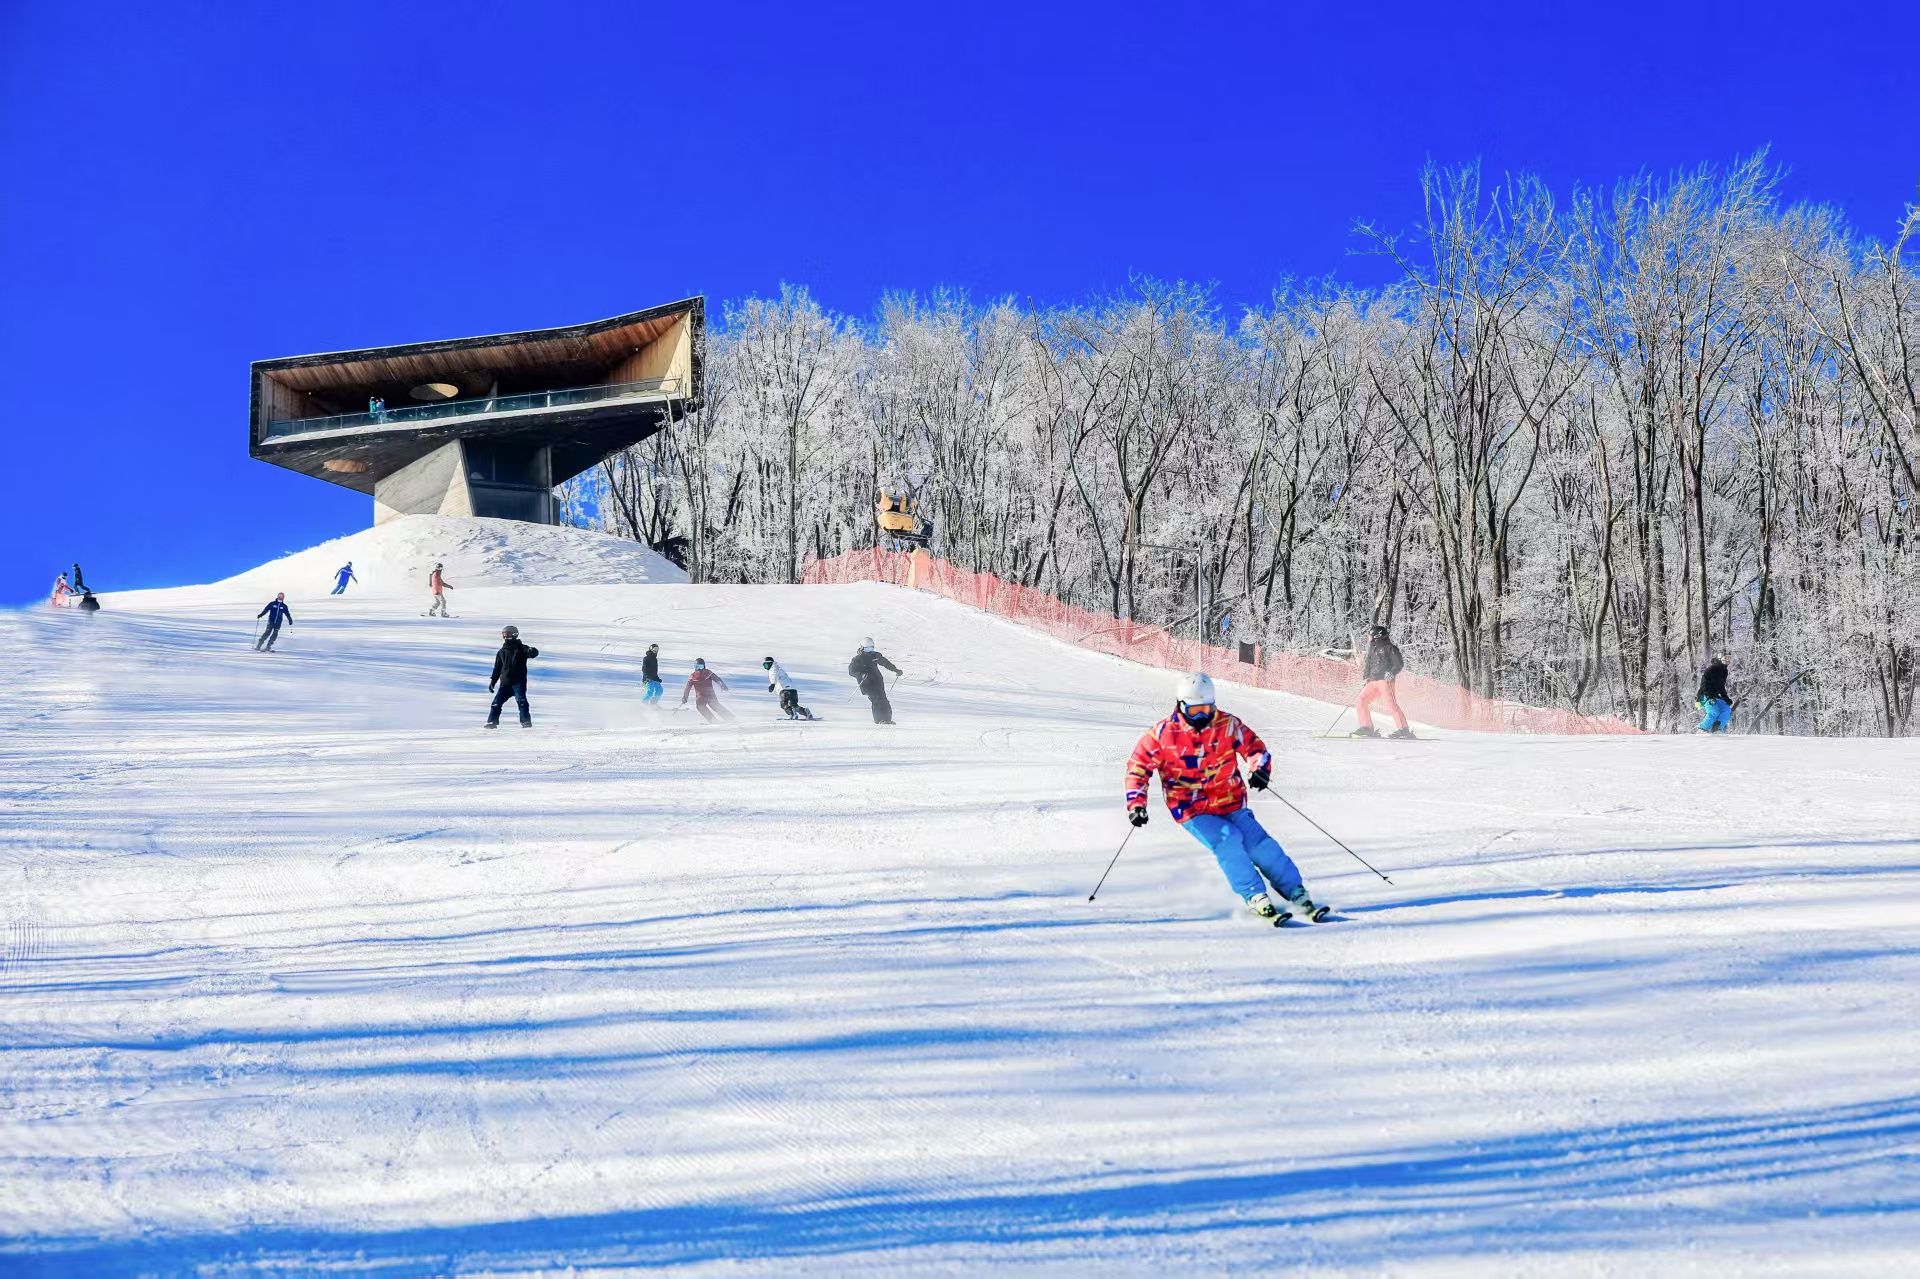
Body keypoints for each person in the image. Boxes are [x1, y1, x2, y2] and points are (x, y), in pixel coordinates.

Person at [1126, 672, 1324, 922]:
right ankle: (1255, 895)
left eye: (1207, 708)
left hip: (1230, 800)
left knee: (1258, 844)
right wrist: (1136, 804)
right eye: (1195, 709)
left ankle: (1295, 890)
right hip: (1191, 808)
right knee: (1228, 840)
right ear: (1181, 705)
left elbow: (1255, 748)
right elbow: (1138, 768)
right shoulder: (1162, 734)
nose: (1202, 716)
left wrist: (1259, 769)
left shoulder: (1227, 725)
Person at [1352, 623, 1413, 740]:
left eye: (1370, 636)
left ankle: (1403, 729)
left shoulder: (1390, 648)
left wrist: (1392, 672)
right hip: (1373, 681)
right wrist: (1366, 677)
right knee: (1361, 700)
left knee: (1390, 704)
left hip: (1385, 681)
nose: (1369, 638)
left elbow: (1399, 664)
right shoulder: (1373, 649)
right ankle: (1367, 727)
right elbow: (1368, 664)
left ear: (1378, 635)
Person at [487, 624, 539, 728]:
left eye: (507, 634)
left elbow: (533, 653)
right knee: (496, 703)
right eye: (504, 634)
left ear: (514, 635)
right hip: (505, 684)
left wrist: (532, 651)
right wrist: (493, 682)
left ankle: (526, 722)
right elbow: (497, 669)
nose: (505, 636)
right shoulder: (501, 652)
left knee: (522, 701)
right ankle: (492, 722)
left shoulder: (522, 648)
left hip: (518, 682)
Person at [848, 637, 902, 724]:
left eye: (871, 648)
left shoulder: (875, 656)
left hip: (877, 682)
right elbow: (851, 671)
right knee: (877, 700)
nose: (870, 651)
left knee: (884, 700)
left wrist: (896, 670)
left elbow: (886, 663)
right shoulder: (857, 659)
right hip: (866, 683)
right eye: (867, 649)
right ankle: (879, 720)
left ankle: (887, 720)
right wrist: (861, 675)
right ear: (862, 648)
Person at [764, 656, 816, 720]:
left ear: (770, 663)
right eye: (764, 665)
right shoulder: (779, 669)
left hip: (784, 690)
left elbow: (773, 676)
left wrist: (772, 684)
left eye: (766, 665)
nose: (765, 667)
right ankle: (806, 712)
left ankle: (792, 714)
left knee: (783, 704)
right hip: (793, 690)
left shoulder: (773, 668)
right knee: (793, 705)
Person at [681, 658, 733, 723]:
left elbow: (717, 679)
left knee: (714, 705)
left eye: (701, 666)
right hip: (701, 696)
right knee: (700, 706)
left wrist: (722, 685)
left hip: (710, 694)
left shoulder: (708, 673)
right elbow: (687, 688)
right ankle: (712, 720)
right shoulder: (693, 676)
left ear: (704, 666)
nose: (699, 669)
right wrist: (685, 697)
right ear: (694, 667)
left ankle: (730, 718)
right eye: (697, 666)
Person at [1696, 654, 1733, 733]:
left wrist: (1726, 698)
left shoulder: (1724, 671)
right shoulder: (1712, 669)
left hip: (1715, 696)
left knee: (1726, 710)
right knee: (1714, 711)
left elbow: (1721, 687)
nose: (1727, 660)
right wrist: (1709, 696)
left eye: (1729, 658)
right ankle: (1702, 729)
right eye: (1725, 658)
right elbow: (1704, 683)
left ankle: (1717, 729)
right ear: (1720, 658)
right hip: (1705, 694)